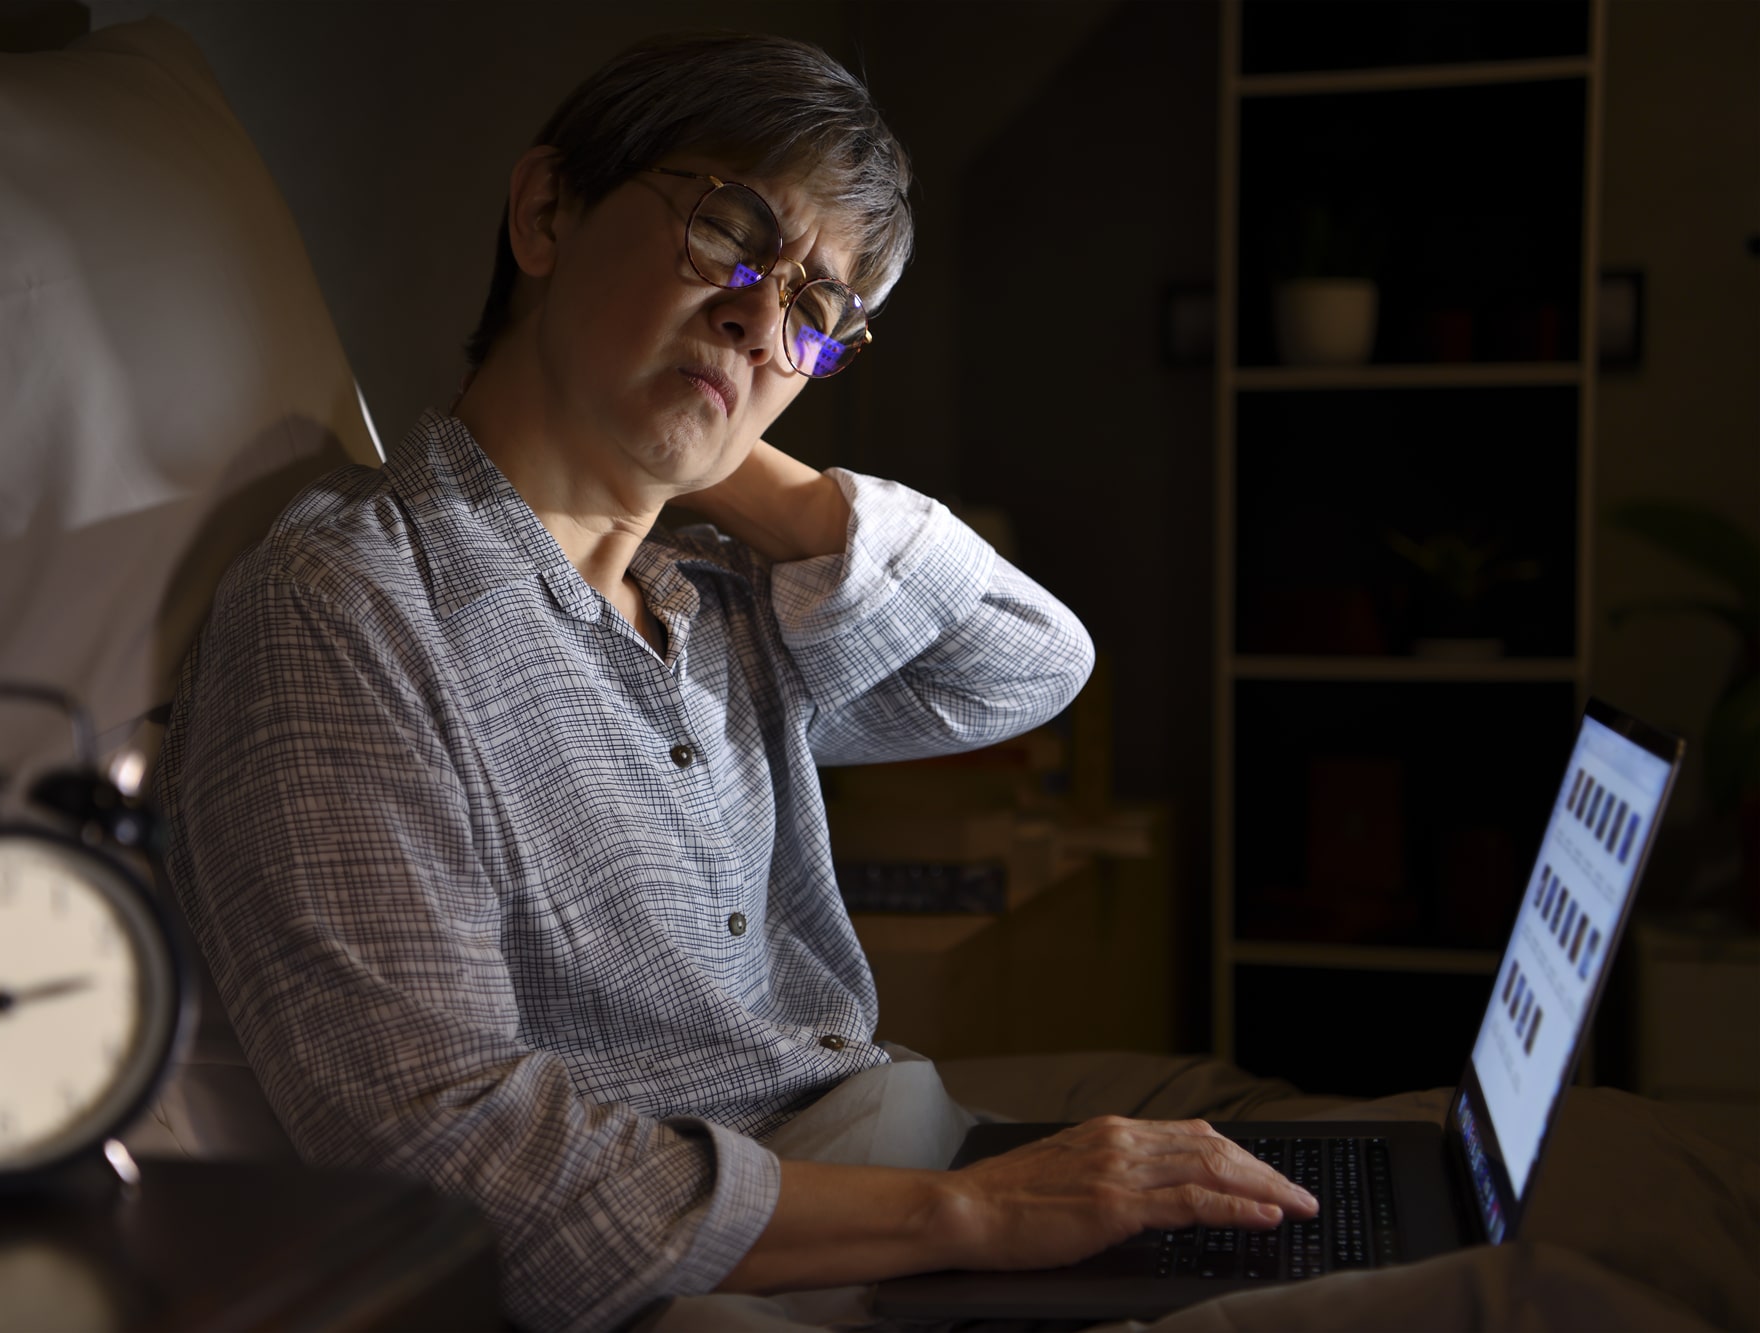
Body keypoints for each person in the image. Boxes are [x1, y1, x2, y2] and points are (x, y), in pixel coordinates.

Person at [155, 30, 1316, 1332]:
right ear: (546, 211)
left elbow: (1032, 664)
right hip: (727, 1269)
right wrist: (978, 1213)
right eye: (732, 231)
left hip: (886, 1133)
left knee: (1320, 1152)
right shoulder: (351, 609)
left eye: (819, 311)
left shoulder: (718, 598)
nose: (766, 316)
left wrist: (716, 438)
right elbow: (451, 1151)